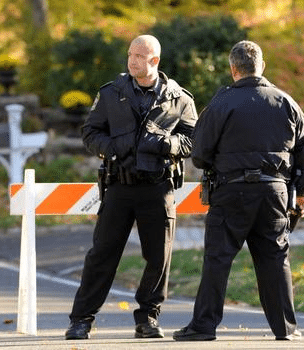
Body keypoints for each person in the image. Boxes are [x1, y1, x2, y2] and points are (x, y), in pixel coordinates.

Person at [173, 40, 304, 342]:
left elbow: (199, 154)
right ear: (261, 66)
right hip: (274, 192)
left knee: (218, 259)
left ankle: (203, 327)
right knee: (275, 258)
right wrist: (300, 192)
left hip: (231, 191)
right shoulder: (286, 102)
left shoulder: (221, 103)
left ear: (233, 69)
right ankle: (286, 328)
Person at [65, 34, 198, 340]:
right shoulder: (112, 93)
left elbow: (193, 139)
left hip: (158, 187)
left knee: (158, 257)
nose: (132, 60)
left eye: (139, 56)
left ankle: (148, 319)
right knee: (101, 255)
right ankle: (81, 320)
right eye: (130, 54)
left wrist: (166, 143)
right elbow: (90, 132)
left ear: (155, 61)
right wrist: (113, 149)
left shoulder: (180, 98)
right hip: (119, 187)